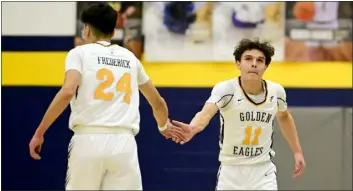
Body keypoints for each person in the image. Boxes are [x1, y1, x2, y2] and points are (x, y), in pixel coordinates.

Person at [28, 3, 184, 190]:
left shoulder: (79, 53)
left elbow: (68, 91)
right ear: (113, 31)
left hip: (88, 140)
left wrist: (39, 132)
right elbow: (157, 102)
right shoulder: (130, 58)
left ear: (86, 30)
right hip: (124, 143)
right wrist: (163, 125)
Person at [172, 38, 306, 190]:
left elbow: (284, 117)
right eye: (248, 59)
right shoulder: (226, 89)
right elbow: (205, 114)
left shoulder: (277, 92)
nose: (254, 63)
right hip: (231, 171)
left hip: (263, 171)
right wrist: (193, 128)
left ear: (266, 66)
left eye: (260, 60)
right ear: (238, 63)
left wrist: (297, 152)